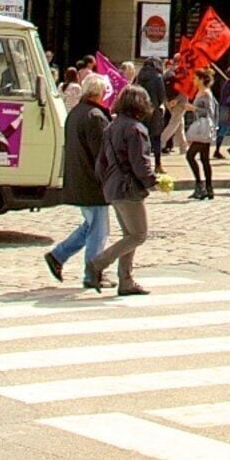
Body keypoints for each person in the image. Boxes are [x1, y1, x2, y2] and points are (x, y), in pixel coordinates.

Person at [45, 74, 116, 287]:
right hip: (92, 182)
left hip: (79, 177)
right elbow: (102, 154)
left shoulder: (76, 113)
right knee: (99, 230)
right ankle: (92, 274)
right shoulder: (94, 116)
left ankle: (58, 255)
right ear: (99, 93)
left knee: (91, 226)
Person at [91, 86, 161, 296]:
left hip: (113, 186)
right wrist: (153, 181)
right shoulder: (136, 129)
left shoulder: (111, 127)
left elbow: (100, 163)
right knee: (138, 235)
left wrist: (106, 182)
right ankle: (98, 263)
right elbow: (140, 163)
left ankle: (126, 281)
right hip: (128, 188)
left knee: (129, 235)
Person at [181, 78, 221, 201]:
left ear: (202, 79)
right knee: (204, 159)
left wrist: (193, 108)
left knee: (190, 156)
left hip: (203, 129)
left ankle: (201, 185)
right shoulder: (200, 92)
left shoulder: (206, 94)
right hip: (200, 129)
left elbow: (209, 112)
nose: (194, 80)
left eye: (196, 78)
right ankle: (208, 188)